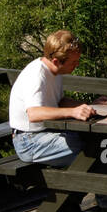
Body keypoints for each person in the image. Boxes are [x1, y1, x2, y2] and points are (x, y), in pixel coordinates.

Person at [8, 30, 98, 167]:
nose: (77, 64)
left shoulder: (55, 71)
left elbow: (60, 102)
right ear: (56, 61)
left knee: (94, 140)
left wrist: (88, 106)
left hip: (46, 132)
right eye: (73, 62)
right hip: (28, 141)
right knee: (88, 147)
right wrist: (72, 112)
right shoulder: (37, 75)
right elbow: (34, 113)